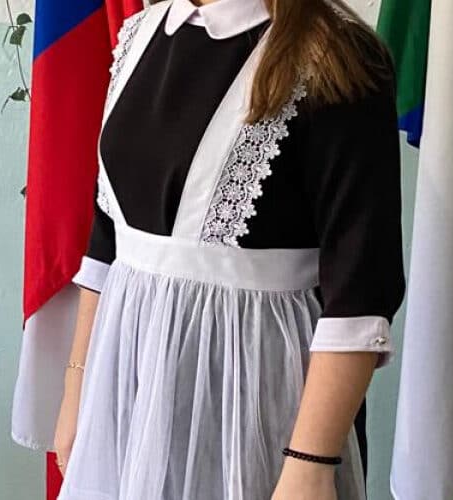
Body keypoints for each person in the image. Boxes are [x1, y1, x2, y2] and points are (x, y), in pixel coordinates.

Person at [52, 0, 406, 498]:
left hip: (256, 403)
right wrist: (77, 391)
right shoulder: (141, 36)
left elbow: (361, 288)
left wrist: (310, 464)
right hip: (128, 386)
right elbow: (108, 236)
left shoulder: (335, 55)